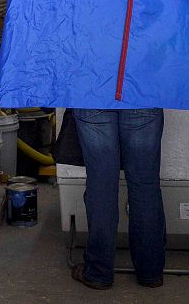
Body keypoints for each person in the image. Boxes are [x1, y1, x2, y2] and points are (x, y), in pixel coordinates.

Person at [70, 108, 166, 290]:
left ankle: (98, 272)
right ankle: (150, 272)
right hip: (143, 95)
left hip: (93, 94)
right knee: (145, 185)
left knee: (101, 185)